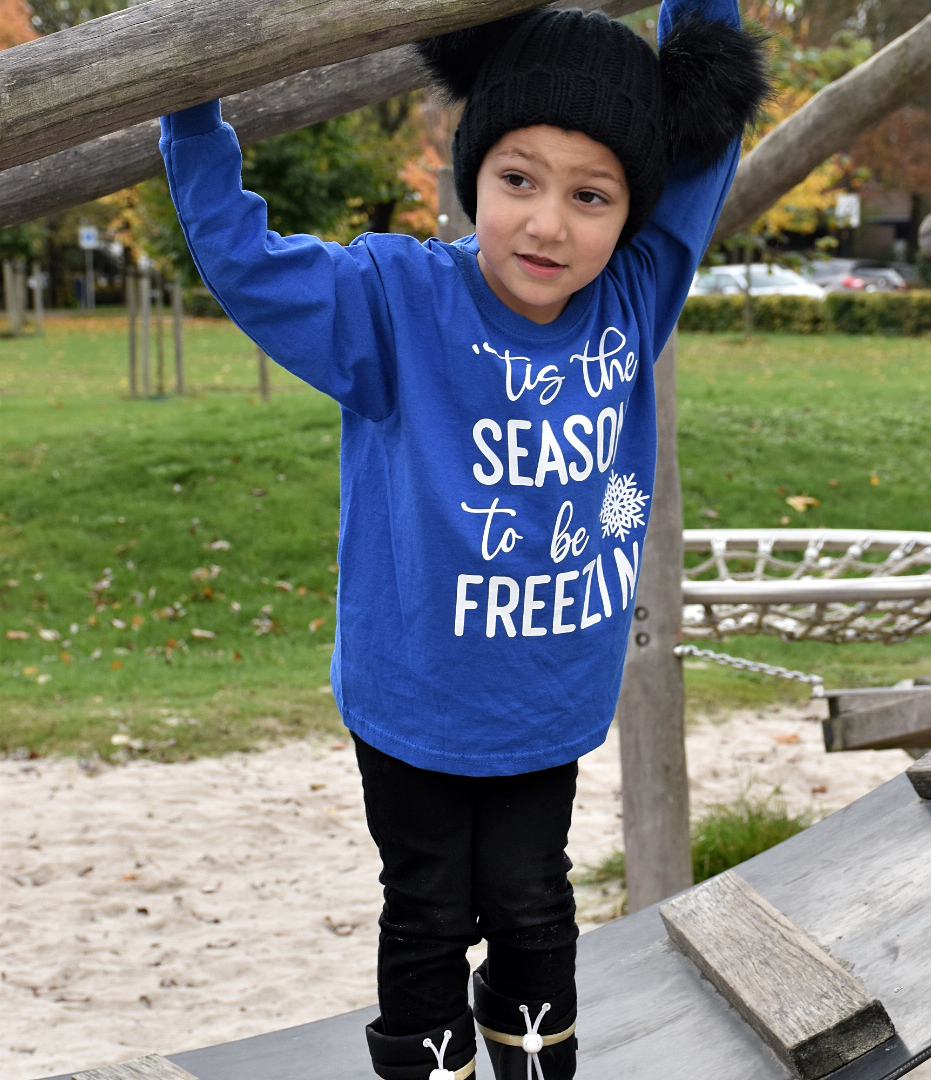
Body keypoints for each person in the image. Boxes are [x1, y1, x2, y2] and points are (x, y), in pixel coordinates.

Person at [158, 3, 767, 1076]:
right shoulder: (395, 304)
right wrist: (191, 107)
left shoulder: (633, 297)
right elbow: (247, 265)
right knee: (429, 909)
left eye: (592, 196)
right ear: (469, 173)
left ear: (634, 212)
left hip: (544, 702)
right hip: (414, 701)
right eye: (519, 180)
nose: (548, 224)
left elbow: (702, 156)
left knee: (535, 905)